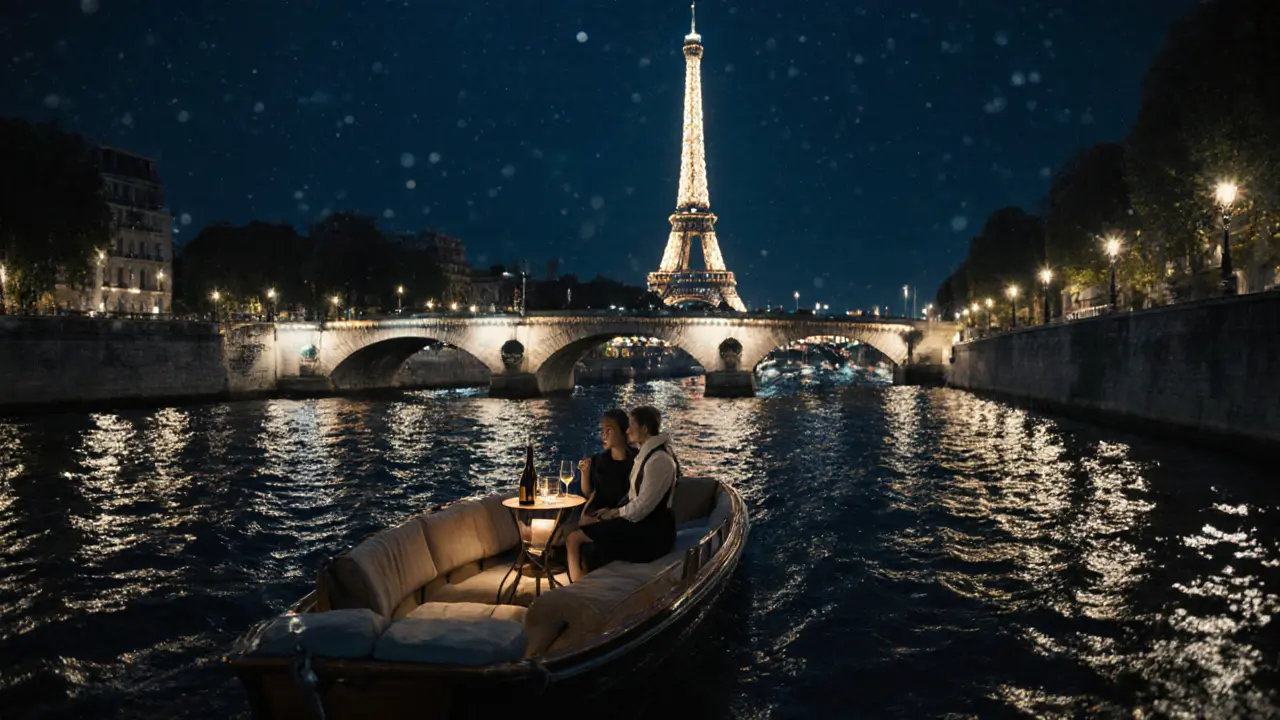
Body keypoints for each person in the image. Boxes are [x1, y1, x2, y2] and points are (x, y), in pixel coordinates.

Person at [566, 405, 679, 582]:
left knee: (574, 538)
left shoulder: (658, 460)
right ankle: (585, 578)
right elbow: (633, 498)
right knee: (580, 531)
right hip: (646, 525)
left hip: (652, 534)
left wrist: (613, 514)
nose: (628, 430)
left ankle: (579, 588)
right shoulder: (647, 455)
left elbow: (641, 507)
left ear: (644, 428)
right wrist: (608, 514)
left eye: (631, 425)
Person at [577, 409, 637, 515]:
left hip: (623, 517)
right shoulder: (598, 460)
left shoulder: (637, 460)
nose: (604, 435)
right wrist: (585, 473)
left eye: (609, 430)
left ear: (624, 431)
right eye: (602, 431)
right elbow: (589, 493)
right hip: (599, 515)